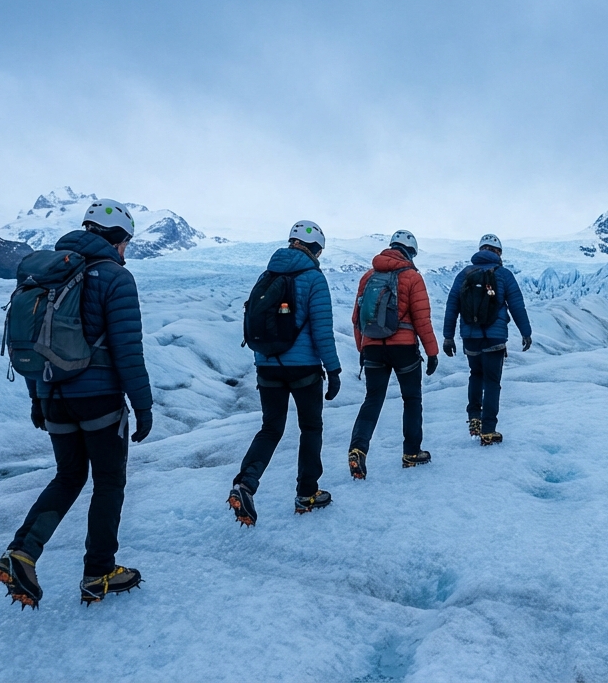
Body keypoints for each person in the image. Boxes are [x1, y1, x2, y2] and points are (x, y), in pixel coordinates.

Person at [0, 198, 154, 608]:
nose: (126, 250)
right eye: (127, 242)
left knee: (68, 477)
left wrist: (37, 398)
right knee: (108, 481)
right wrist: (144, 404)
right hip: (99, 400)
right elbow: (127, 350)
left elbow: (32, 343)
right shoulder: (114, 278)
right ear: (118, 239)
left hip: (52, 397)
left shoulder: (47, 273)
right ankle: (99, 572)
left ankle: (22, 553)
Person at [228, 220, 342, 525]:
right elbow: (322, 331)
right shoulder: (313, 278)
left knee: (270, 428)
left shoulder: (267, 274)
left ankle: (246, 483)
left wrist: (265, 360)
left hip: (267, 367)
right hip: (303, 369)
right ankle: (307, 493)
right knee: (310, 428)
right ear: (316, 248)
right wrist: (333, 370)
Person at [347, 230, 440, 479]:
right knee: (411, 399)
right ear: (410, 253)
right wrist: (432, 352)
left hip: (373, 348)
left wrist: (362, 348)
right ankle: (411, 452)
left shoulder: (368, 277)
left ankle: (358, 448)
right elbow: (422, 320)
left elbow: (357, 319)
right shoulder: (412, 276)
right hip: (404, 349)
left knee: (373, 399)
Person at [442, 234, 532, 445]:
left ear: (480, 250)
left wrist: (448, 337)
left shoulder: (464, 274)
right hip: (495, 337)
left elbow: (452, 306)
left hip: (470, 337)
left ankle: (474, 417)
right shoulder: (504, 274)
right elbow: (517, 305)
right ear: (498, 252)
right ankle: (488, 430)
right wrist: (526, 332)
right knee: (492, 382)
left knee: (475, 374)